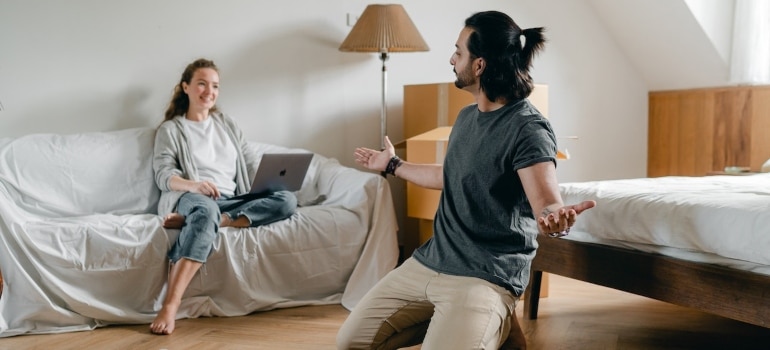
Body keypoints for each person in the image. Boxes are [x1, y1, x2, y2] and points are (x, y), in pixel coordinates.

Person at [337, 11, 596, 350]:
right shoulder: (466, 117)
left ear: (479, 66)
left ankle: (490, 318)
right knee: (350, 343)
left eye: (458, 52)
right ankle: (485, 325)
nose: (451, 58)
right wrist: (393, 164)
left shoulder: (527, 128)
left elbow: (546, 201)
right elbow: (450, 175)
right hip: (431, 261)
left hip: (486, 275)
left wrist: (554, 219)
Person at [150, 58, 297, 335]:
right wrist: (195, 186)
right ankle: (171, 304)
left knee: (287, 200)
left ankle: (224, 221)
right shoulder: (171, 129)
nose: (209, 91)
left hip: (232, 198)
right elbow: (163, 175)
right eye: (202, 84)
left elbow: (250, 164)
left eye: (215, 86)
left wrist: (270, 181)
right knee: (206, 212)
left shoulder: (226, 124)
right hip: (195, 199)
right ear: (186, 87)